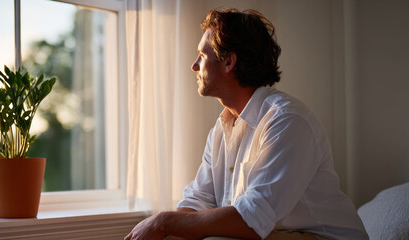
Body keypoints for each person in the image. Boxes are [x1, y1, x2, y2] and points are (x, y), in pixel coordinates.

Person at [125, 8, 368, 240]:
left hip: (319, 236)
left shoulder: (287, 121)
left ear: (229, 62)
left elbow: (251, 219)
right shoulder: (221, 130)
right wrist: (163, 228)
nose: (194, 66)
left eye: (202, 55)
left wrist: (163, 221)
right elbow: (197, 202)